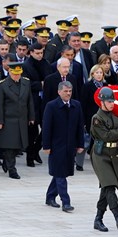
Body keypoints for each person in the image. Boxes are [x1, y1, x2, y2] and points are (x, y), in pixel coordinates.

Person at [90, 87, 118, 232]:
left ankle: (98, 219)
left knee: (107, 187)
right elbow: (108, 136)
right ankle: (117, 216)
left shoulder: (115, 115)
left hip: (112, 154)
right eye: (109, 101)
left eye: (113, 101)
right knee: (110, 185)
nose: (112, 104)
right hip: (100, 155)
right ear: (102, 102)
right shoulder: (97, 119)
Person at [42, 81, 84, 213]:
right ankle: (66, 201)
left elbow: (79, 127)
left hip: (70, 146)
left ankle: (50, 196)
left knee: (60, 173)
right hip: (56, 146)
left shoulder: (76, 105)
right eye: (66, 91)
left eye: (70, 91)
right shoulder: (51, 106)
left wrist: (80, 144)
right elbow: (47, 127)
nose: (68, 94)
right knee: (60, 174)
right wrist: (46, 145)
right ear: (59, 92)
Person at [0, 62, 35, 179]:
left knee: (18, 146)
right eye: (14, 73)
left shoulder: (26, 83)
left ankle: (6, 162)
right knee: (10, 146)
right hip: (8, 120)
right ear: (10, 72)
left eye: (18, 74)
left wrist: (31, 117)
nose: (16, 76)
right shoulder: (2, 85)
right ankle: (12, 169)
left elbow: (29, 101)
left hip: (21, 119)